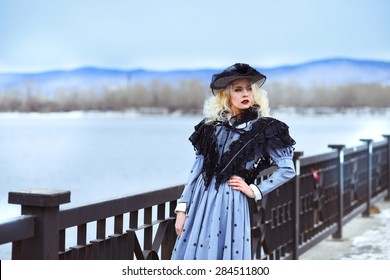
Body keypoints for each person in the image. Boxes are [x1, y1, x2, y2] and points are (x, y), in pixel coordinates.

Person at [171, 63, 296, 260]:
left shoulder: (264, 128)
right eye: (238, 89)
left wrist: (255, 190)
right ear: (227, 95)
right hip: (201, 205)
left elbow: (287, 169)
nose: (245, 94)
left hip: (231, 203)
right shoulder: (211, 128)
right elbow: (196, 171)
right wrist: (182, 209)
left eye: (249, 89)